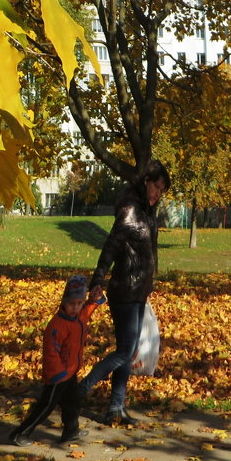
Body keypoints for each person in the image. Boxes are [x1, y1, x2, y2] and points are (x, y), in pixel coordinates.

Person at [80, 159, 171, 426]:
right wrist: (98, 278)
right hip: (124, 290)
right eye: (156, 187)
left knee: (127, 350)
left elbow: (143, 252)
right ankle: (80, 391)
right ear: (145, 182)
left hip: (138, 290)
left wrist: (148, 285)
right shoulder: (131, 208)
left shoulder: (146, 210)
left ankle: (116, 407)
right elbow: (111, 245)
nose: (158, 194)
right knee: (124, 350)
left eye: (162, 190)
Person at [9, 275, 106, 446]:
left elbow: (86, 311)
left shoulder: (78, 317)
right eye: (71, 303)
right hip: (58, 374)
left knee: (72, 403)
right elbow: (51, 351)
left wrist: (93, 301)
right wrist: (58, 373)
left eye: (79, 303)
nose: (75, 308)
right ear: (64, 302)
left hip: (71, 370)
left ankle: (71, 430)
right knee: (46, 406)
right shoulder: (58, 324)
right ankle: (21, 434)